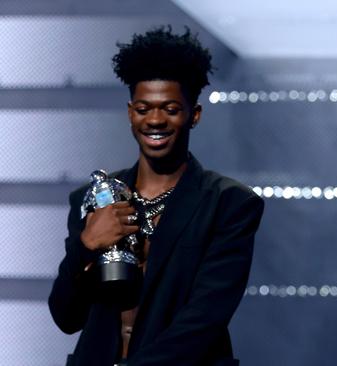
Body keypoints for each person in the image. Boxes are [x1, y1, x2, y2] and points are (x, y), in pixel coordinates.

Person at [48, 26, 264, 366]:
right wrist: (84, 245)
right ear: (131, 113)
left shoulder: (229, 204)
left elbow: (204, 320)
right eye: (145, 108)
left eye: (170, 109)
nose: (156, 120)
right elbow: (65, 317)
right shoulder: (92, 199)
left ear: (193, 115)